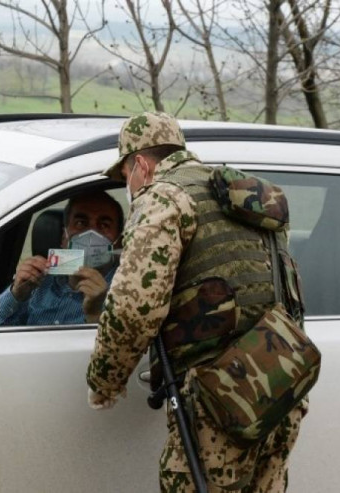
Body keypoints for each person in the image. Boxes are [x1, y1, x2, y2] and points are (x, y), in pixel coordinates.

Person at [85, 112, 307, 492]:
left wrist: (105, 380)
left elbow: (134, 308)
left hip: (221, 398)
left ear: (140, 164)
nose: (129, 186)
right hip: (281, 380)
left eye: (125, 176)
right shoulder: (236, 193)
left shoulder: (164, 197)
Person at [0, 190, 123, 326]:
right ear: (64, 236)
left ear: (119, 242)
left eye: (104, 225)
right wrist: (16, 295)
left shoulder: (127, 290)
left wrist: (95, 316)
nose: (91, 234)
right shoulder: (37, 281)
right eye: (81, 223)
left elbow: (125, 345)